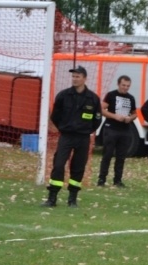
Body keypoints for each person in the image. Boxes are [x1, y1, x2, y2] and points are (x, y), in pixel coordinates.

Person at [41, 65, 101, 208]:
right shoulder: (63, 95)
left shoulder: (93, 98)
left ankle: (72, 199)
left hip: (83, 138)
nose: (74, 79)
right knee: (59, 164)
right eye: (73, 76)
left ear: (84, 78)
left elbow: (97, 120)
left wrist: (86, 130)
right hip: (66, 136)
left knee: (78, 167)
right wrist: (63, 128)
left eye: (77, 76)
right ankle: (52, 198)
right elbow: (55, 116)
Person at [97, 75, 137, 188]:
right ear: (118, 84)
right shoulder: (111, 95)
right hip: (111, 129)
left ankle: (118, 180)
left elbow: (135, 113)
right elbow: (101, 109)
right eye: (123, 85)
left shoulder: (131, 98)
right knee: (107, 155)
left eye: (128, 86)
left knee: (121, 157)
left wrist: (130, 118)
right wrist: (114, 116)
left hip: (125, 130)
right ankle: (101, 179)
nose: (125, 88)